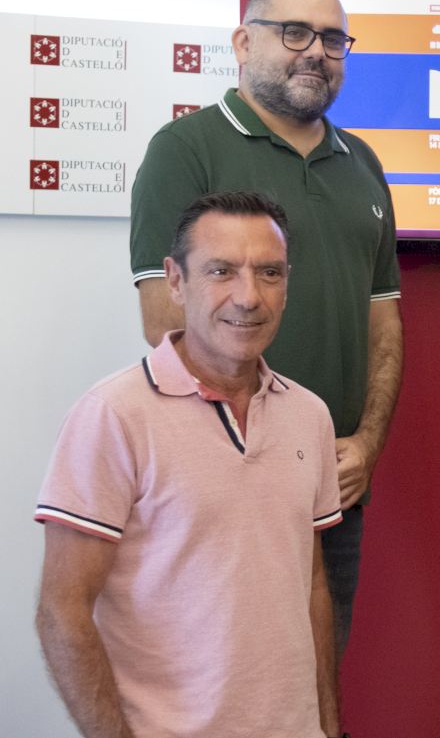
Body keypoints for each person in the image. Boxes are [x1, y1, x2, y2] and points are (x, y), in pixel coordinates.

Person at [129, 0, 403, 659]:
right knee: (214, 683)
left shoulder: (363, 164)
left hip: (333, 489)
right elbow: (165, 322)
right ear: (244, 43)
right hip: (221, 486)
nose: (316, 52)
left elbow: (383, 324)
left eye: (333, 39)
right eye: (295, 33)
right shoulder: (186, 149)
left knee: (314, 688)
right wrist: (265, 446)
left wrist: (367, 443)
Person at [35, 192, 343, 738]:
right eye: (221, 271)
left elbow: (312, 583)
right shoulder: (113, 415)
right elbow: (62, 611)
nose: (248, 297)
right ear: (175, 281)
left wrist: (328, 725)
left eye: (269, 273)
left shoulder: (309, 415)